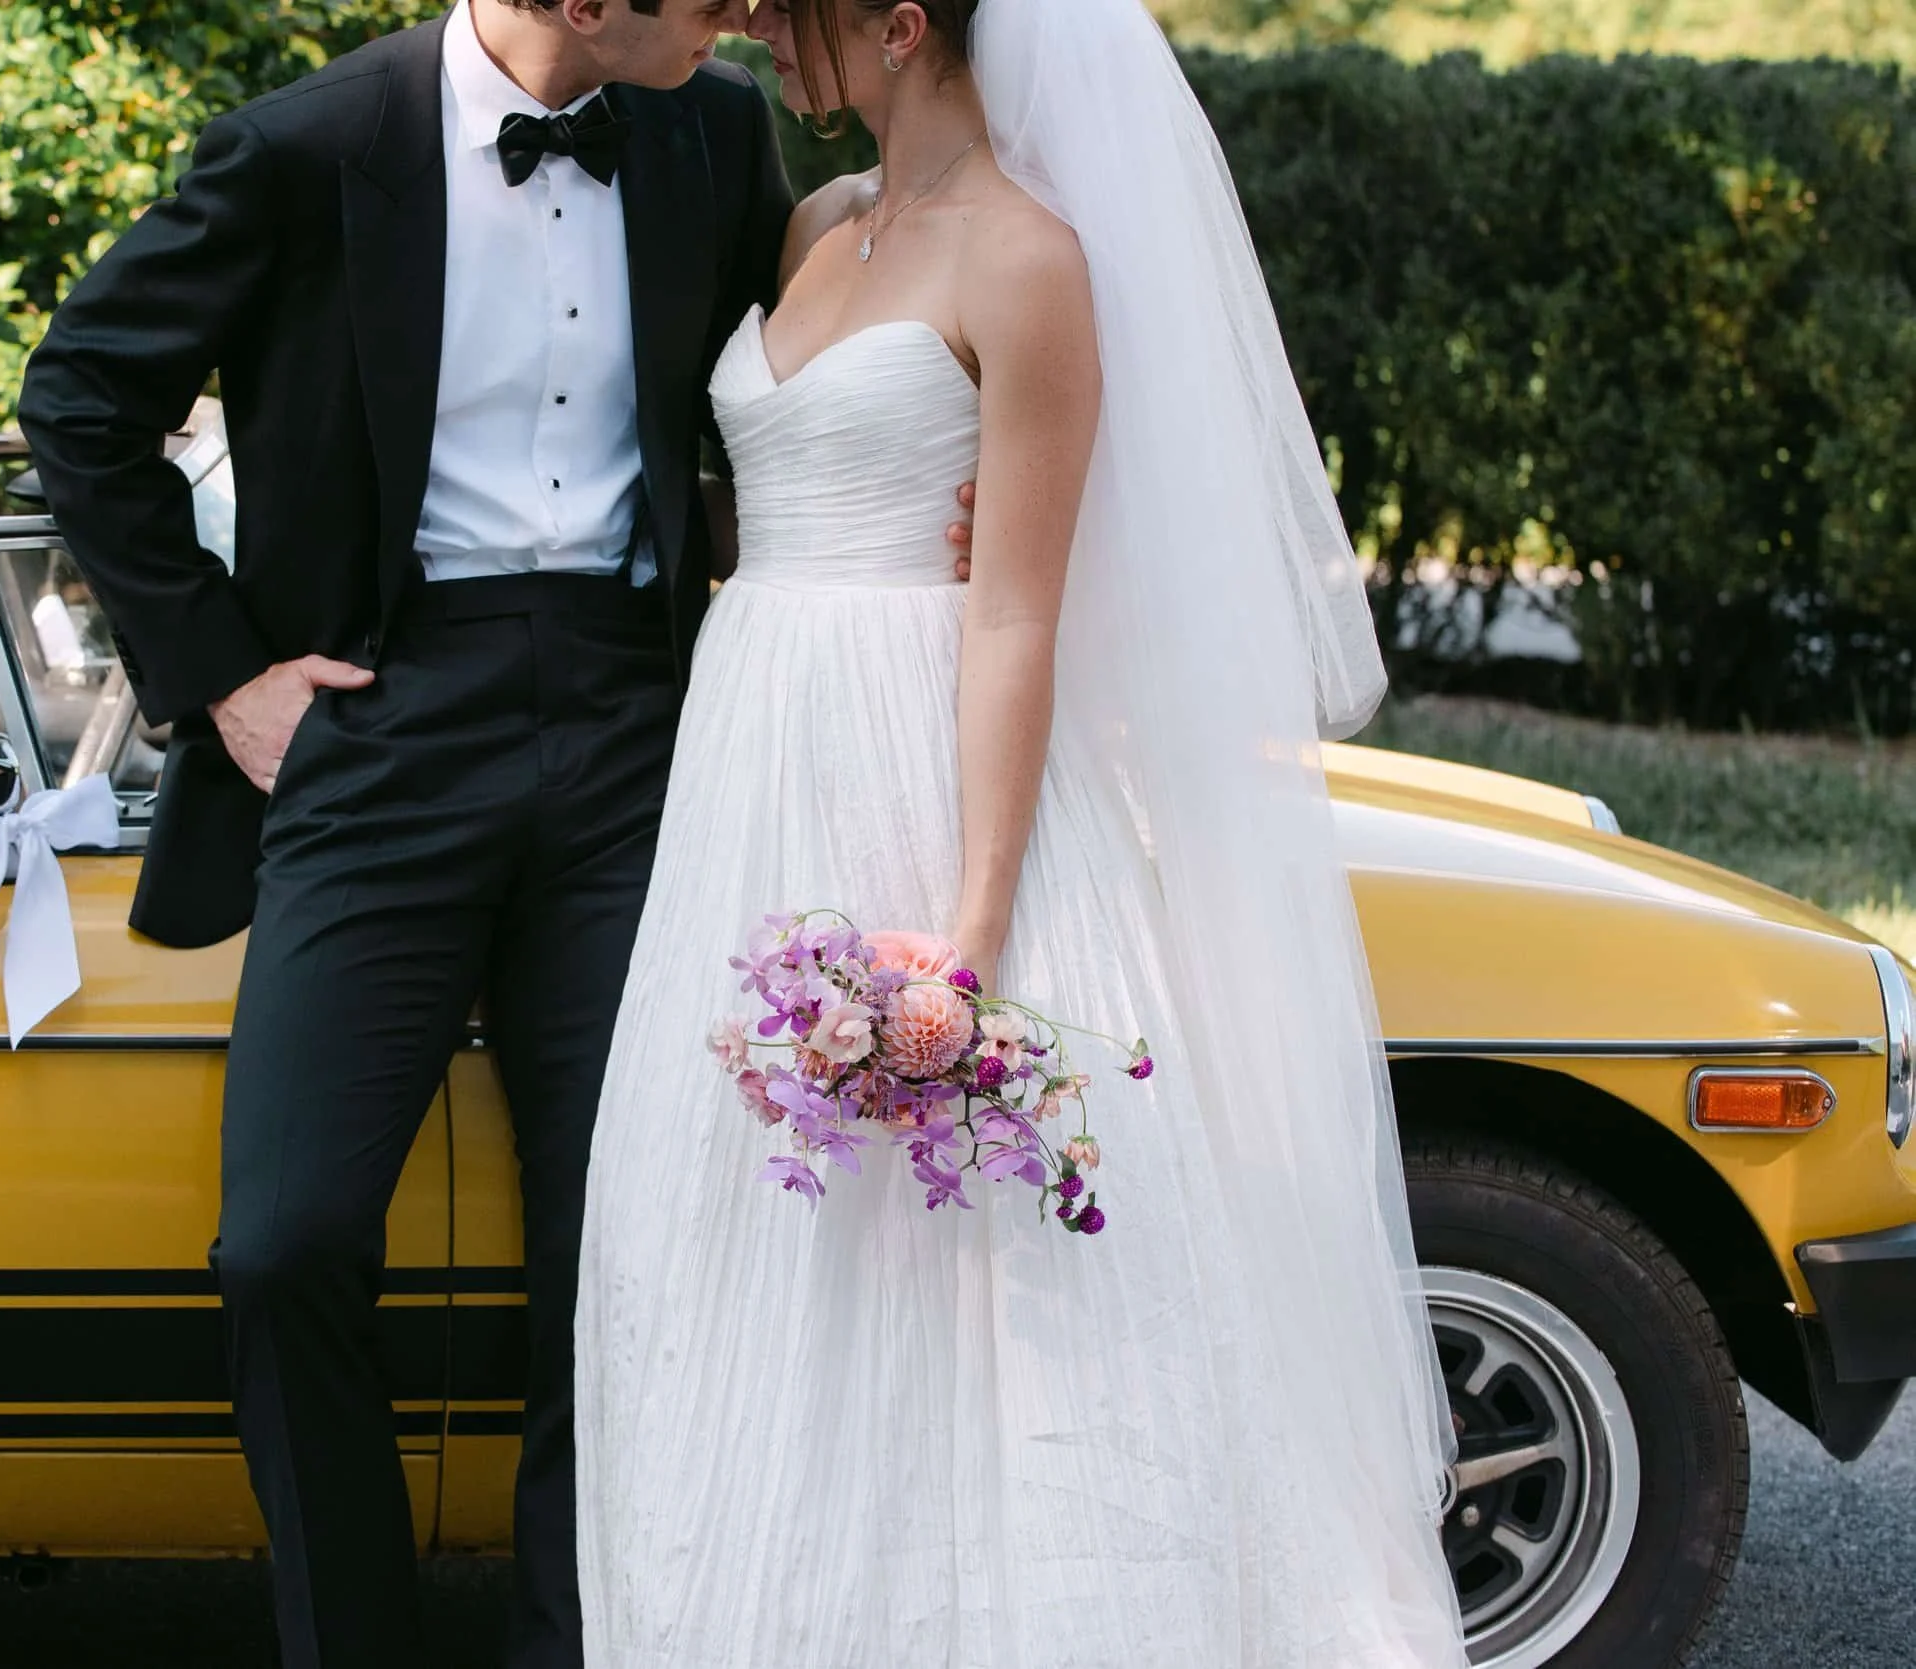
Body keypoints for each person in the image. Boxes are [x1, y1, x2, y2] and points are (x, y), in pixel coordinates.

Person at [18, 1, 979, 1661]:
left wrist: (942, 487)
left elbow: (816, 376)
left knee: (626, 1249)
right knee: (287, 1243)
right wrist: (225, 674)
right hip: (380, 727)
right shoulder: (306, 147)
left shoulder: (718, 130)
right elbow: (81, 396)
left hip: (642, 734)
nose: (744, 7)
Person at [572, 0, 1475, 1663]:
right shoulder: (821, 220)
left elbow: (1014, 621)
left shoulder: (1030, 264)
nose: (764, 28)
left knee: (967, 1282)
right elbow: (773, 496)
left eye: (801, 11)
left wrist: (971, 922)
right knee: (749, 1244)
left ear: (905, 26)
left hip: (922, 761)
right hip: (749, 754)